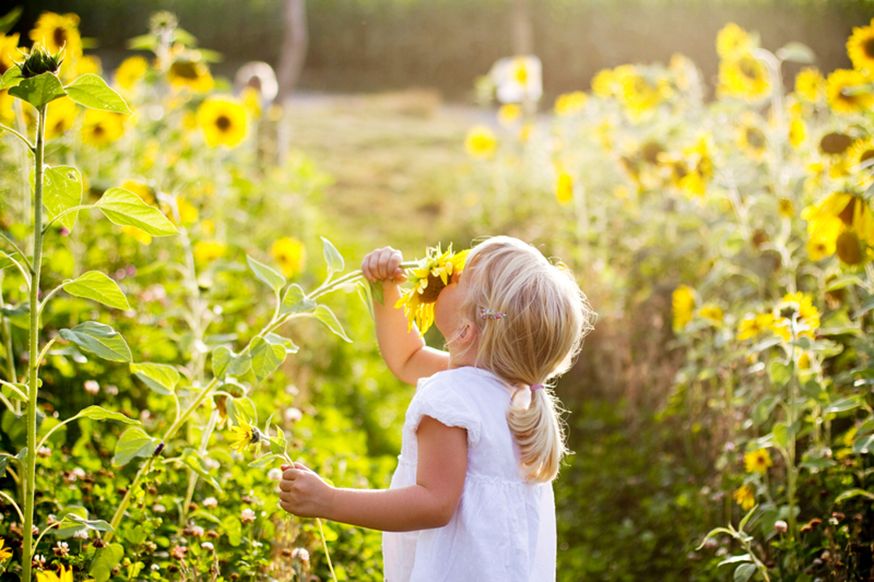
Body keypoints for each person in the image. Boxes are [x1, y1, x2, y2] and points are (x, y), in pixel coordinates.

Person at [278, 236, 596, 581]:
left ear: (466, 330)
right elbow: (407, 357)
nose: (449, 273)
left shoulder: (452, 398)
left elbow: (433, 504)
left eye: (462, 277)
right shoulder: (515, 392)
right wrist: (386, 291)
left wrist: (330, 501)